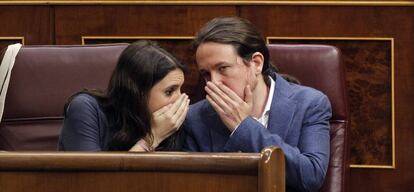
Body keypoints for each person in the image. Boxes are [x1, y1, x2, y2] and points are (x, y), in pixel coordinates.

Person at [182, 17, 331, 192]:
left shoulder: (310, 104)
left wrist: (244, 126)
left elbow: (310, 176)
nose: (214, 83)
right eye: (206, 74)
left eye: (222, 68)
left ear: (256, 63)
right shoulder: (195, 118)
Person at [58, 40, 189, 151]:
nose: (180, 99)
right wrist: (152, 138)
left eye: (181, 89)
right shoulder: (85, 109)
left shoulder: (174, 125)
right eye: (169, 91)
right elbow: (94, 180)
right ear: (139, 92)